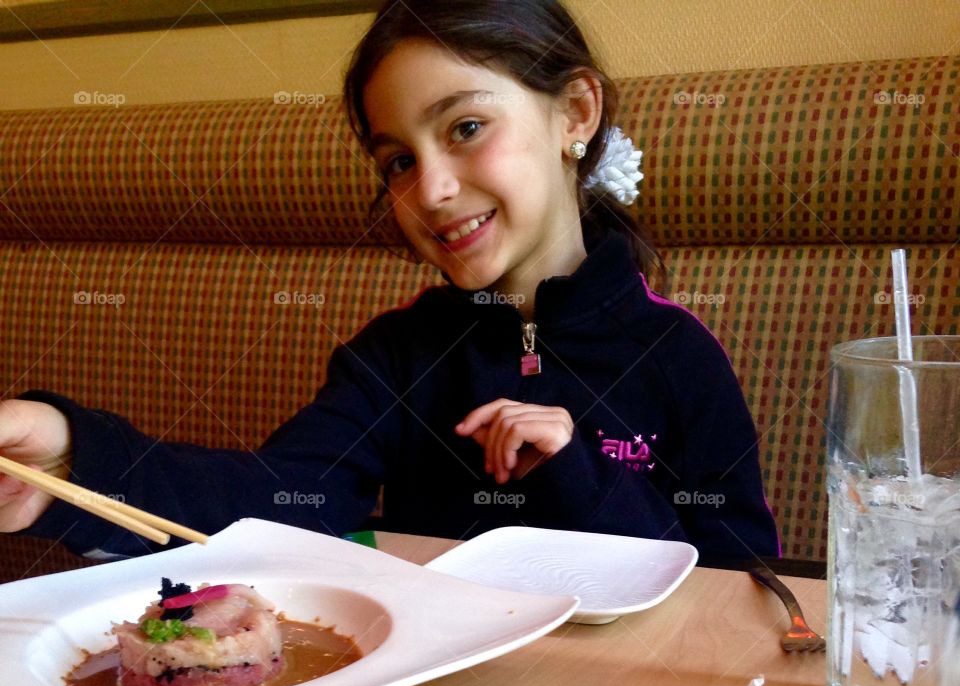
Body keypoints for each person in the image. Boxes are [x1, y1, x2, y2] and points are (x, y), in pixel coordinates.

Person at [0, 0, 778, 562]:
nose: (431, 190)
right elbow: (280, 504)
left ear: (574, 112)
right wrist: (71, 457)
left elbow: (744, 582)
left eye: (466, 128)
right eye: (399, 160)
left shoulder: (677, 354)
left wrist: (581, 473)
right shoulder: (396, 357)